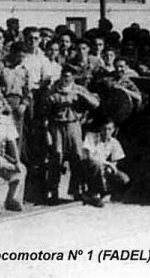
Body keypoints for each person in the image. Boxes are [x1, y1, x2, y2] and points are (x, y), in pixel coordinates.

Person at [44, 65, 100, 204]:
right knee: (57, 156)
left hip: (73, 124)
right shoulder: (53, 89)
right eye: (64, 76)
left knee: (77, 156)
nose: (66, 79)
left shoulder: (78, 89)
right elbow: (45, 112)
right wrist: (47, 132)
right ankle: (53, 191)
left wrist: (81, 96)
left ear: (73, 77)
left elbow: (95, 103)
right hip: (57, 124)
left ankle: (76, 190)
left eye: (69, 76)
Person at [81, 117, 130, 207]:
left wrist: (111, 168)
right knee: (97, 165)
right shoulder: (91, 137)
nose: (106, 132)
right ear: (100, 129)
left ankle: (108, 193)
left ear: (113, 130)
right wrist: (107, 164)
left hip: (104, 168)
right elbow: (89, 157)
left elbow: (115, 160)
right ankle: (93, 193)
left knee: (124, 179)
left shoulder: (114, 142)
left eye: (109, 129)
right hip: (90, 168)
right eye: (104, 129)